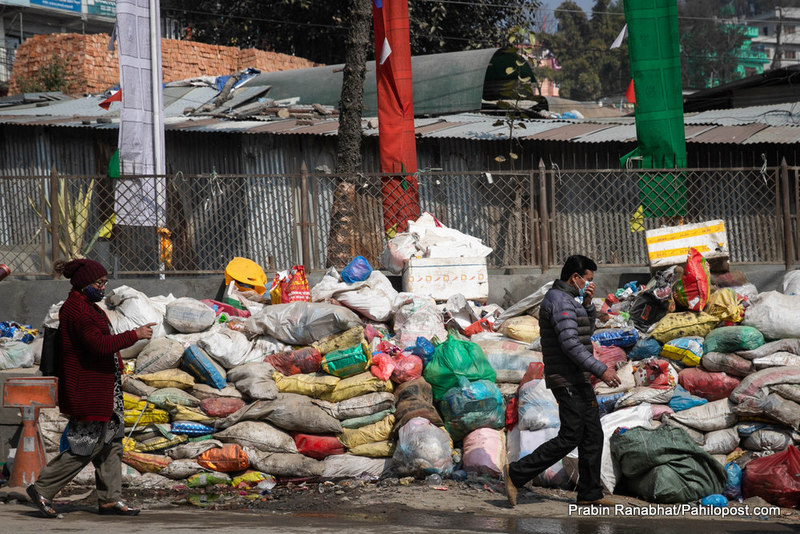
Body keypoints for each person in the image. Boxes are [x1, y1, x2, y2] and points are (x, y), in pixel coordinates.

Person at [26, 259, 156, 518]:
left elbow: (103, 342)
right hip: (88, 389)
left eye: (105, 282)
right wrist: (134, 335)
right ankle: (42, 488)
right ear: (84, 284)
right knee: (85, 444)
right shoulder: (77, 310)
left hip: (105, 387)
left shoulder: (90, 307)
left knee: (112, 443)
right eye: (99, 283)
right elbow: (97, 344)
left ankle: (110, 499)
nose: (103, 287)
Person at [504, 255, 620, 507]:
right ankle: (516, 473)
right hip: (565, 379)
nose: (589, 284)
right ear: (574, 277)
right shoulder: (559, 302)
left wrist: (588, 305)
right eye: (587, 280)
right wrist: (601, 370)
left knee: (592, 434)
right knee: (571, 435)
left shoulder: (571, 301)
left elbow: (583, 334)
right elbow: (570, 345)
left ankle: (590, 493)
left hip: (577, 377)